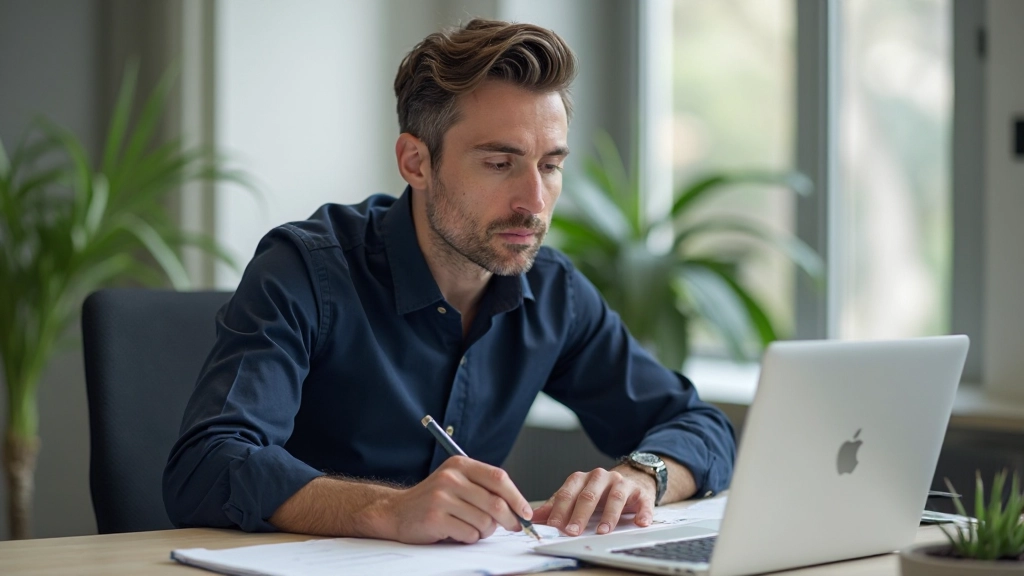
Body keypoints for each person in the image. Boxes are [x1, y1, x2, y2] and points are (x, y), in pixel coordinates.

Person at [163, 18, 735, 545]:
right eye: (498, 163)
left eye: (551, 164)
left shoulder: (554, 294)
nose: (534, 202)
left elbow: (700, 425)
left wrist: (646, 474)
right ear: (416, 162)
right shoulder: (306, 270)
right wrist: (388, 510)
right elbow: (206, 466)